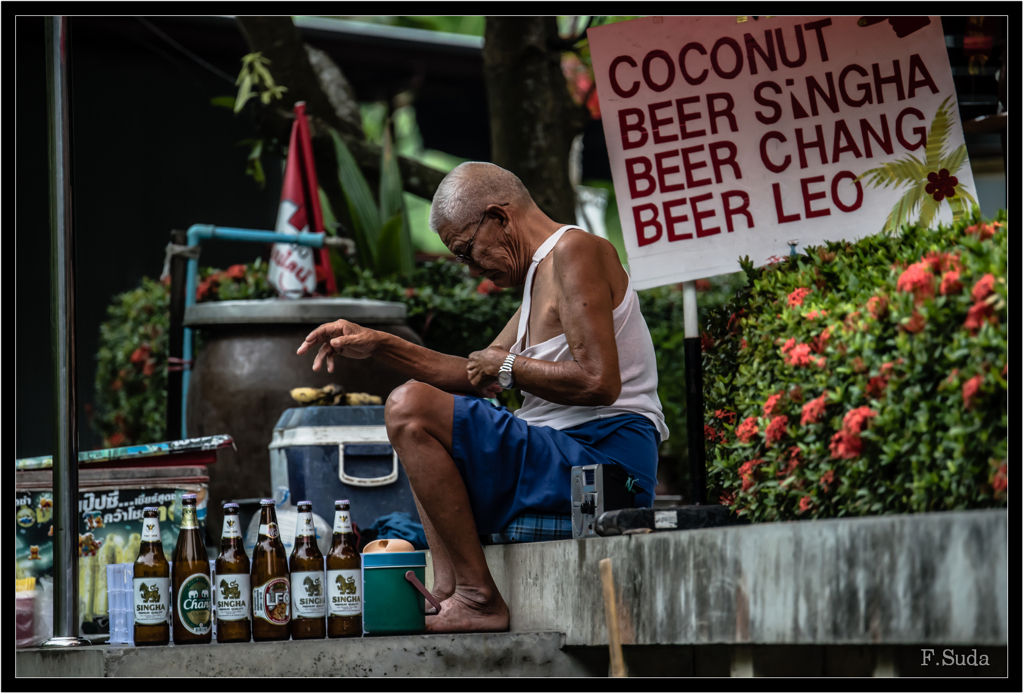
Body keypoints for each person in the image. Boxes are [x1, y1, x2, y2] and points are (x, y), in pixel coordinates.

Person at [296, 162, 668, 633]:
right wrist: (382, 343)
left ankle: (478, 598)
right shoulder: (539, 278)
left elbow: (599, 381)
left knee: (409, 407)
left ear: (500, 217)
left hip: (605, 459)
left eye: (468, 252)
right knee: (414, 420)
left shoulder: (576, 250)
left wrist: (508, 367)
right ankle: (449, 592)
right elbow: (475, 373)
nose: (475, 272)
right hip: (558, 452)